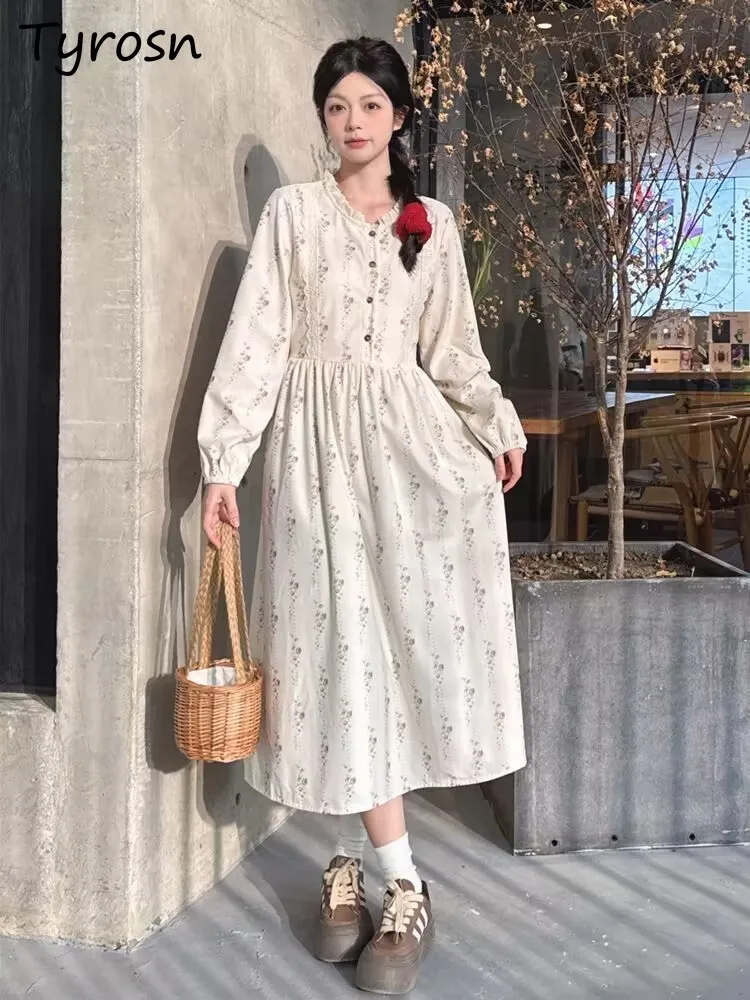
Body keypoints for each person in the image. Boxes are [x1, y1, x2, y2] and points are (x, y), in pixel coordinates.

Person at [197, 35, 528, 996]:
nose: (353, 121)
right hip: (311, 461)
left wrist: (495, 423)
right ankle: (386, 871)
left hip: (405, 453)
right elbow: (256, 340)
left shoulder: (432, 223)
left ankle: (376, 871)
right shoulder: (292, 215)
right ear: (323, 116)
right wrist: (223, 463)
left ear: (399, 116)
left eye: (370, 105)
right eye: (338, 105)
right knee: (330, 647)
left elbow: (453, 350)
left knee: (392, 646)